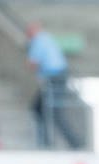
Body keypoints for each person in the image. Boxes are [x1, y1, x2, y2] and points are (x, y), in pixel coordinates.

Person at [26, 20, 82, 149]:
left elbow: (33, 63)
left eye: (28, 32)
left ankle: (74, 143)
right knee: (39, 108)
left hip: (54, 78)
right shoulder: (47, 38)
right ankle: (46, 142)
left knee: (53, 111)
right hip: (58, 76)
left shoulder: (38, 41)